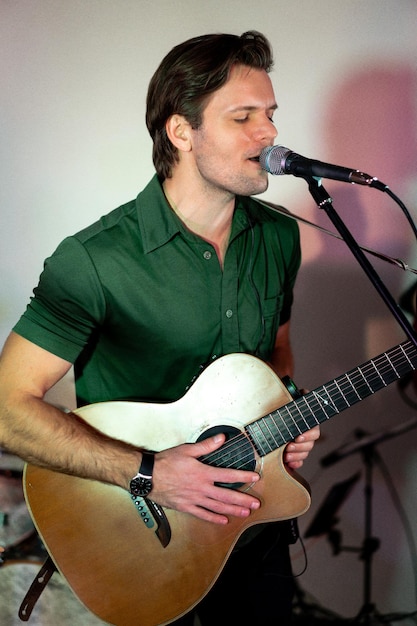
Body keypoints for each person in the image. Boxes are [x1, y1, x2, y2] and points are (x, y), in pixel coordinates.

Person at [0, 31, 320, 625]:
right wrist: (148, 473)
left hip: (253, 531)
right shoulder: (94, 259)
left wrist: (288, 414)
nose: (270, 133)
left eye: (270, 115)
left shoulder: (279, 236)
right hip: (141, 538)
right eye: (243, 116)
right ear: (182, 131)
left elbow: (277, 353)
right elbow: (6, 411)